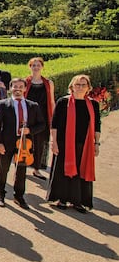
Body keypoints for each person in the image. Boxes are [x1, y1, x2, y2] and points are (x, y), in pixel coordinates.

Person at [48, 74, 101, 213]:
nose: (80, 87)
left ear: (88, 88)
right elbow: (54, 124)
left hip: (85, 144)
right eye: (77, 84)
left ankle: (78, 201)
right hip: (64, 143)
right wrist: (53, 142)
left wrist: (97, 143)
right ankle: (62, 199)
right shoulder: (62, 102)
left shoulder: (93, 105)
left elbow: (97, 126)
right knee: (62, 171)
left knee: (81, 171)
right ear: (71, 86)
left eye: (83, 85)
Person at [0, 78, 46, 209]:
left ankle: (19, 196)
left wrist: (30, 130)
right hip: (7, 142)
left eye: (20, 86)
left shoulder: (33, 105)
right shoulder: (3, 104)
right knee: (3, 169)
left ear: (25, 88)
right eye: (15, 86)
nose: (17, 89)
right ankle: (1, 195)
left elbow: (42, 124)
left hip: (24, 144)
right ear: (10, 89)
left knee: (21, 171)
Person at [24, 57, 56, 179]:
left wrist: (53, 118)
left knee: (41, 143)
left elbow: (52, 102)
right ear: (30, 67)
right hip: (28, 117)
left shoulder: (49, 83)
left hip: (43, 117)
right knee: (27, 142)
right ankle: (24, 165)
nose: (36, 67)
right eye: (33, 65)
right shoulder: (25, 82)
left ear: (42, 67)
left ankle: (37, 169)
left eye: (38, 65)